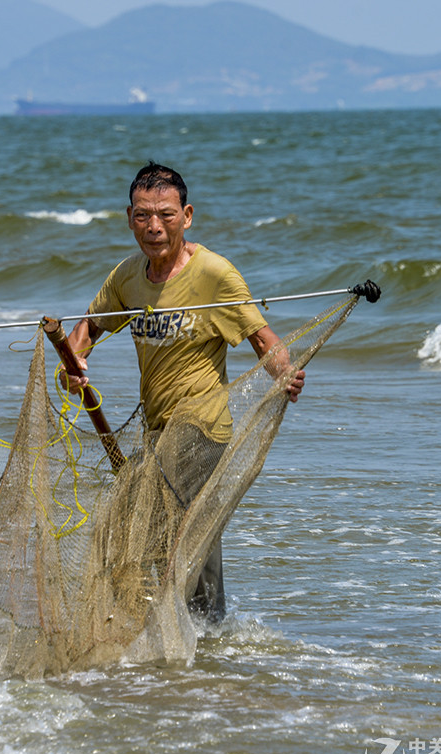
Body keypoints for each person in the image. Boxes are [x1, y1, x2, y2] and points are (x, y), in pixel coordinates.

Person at [63, 162, 304, 624]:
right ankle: (205, 642)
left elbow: (261, 338)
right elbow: (87, 330)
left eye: (166, 215)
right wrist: (71, 369)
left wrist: (285, 373)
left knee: (172, 530)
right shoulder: (128, 278)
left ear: (187, 215)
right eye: (143, 215)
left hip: (203, 429)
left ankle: (185, 633)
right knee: (192, 536)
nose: (154, 227)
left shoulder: (214, 274)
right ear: (129, 218)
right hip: (156, 431)